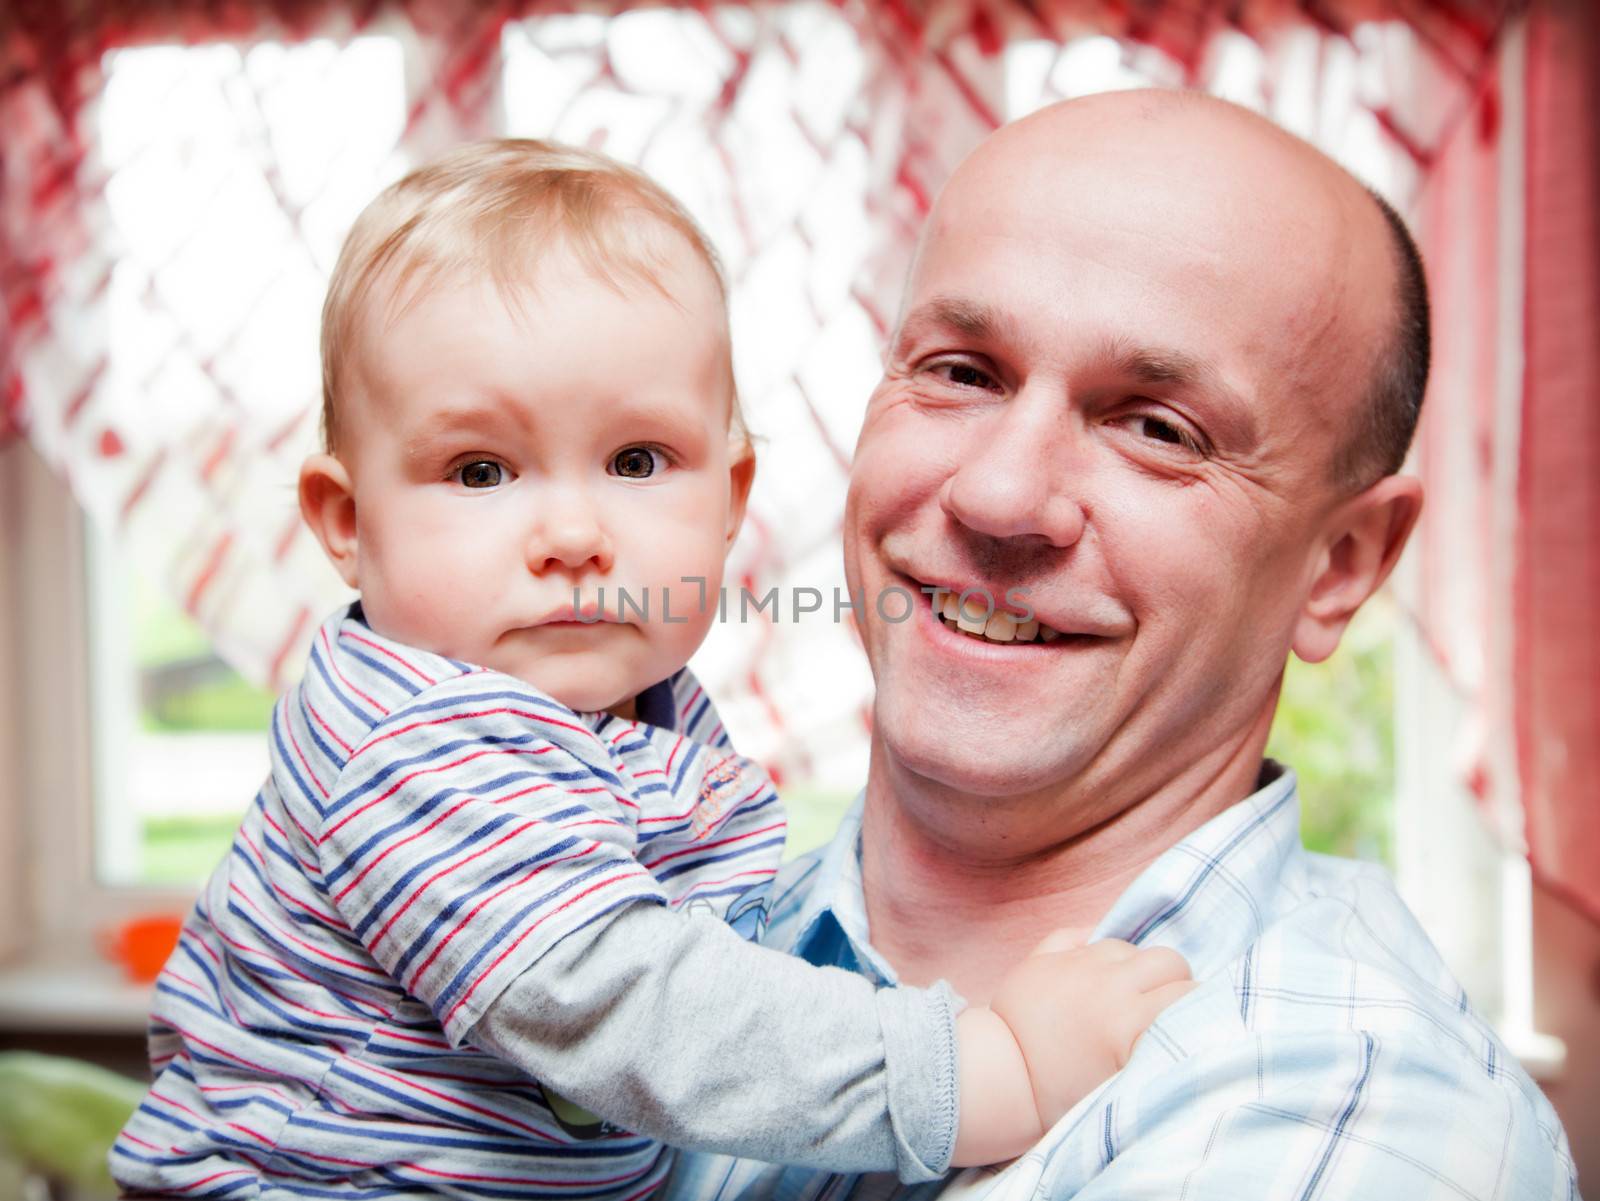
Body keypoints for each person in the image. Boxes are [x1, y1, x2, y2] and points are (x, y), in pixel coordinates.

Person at [110, 139, 1195, 1200]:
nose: (574, 532)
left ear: (728, 500)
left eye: (636, 461)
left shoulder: (631, 716)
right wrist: (988, 1064)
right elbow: (644, 1015)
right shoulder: (415, 742)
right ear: (347, 522)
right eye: (479, 470)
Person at [666, 90, 1580, 1199]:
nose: (1000, 493)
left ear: (1339, 564)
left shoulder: (1352, 1119)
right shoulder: (647, 928)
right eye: (962, 369)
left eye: (1157, 428)